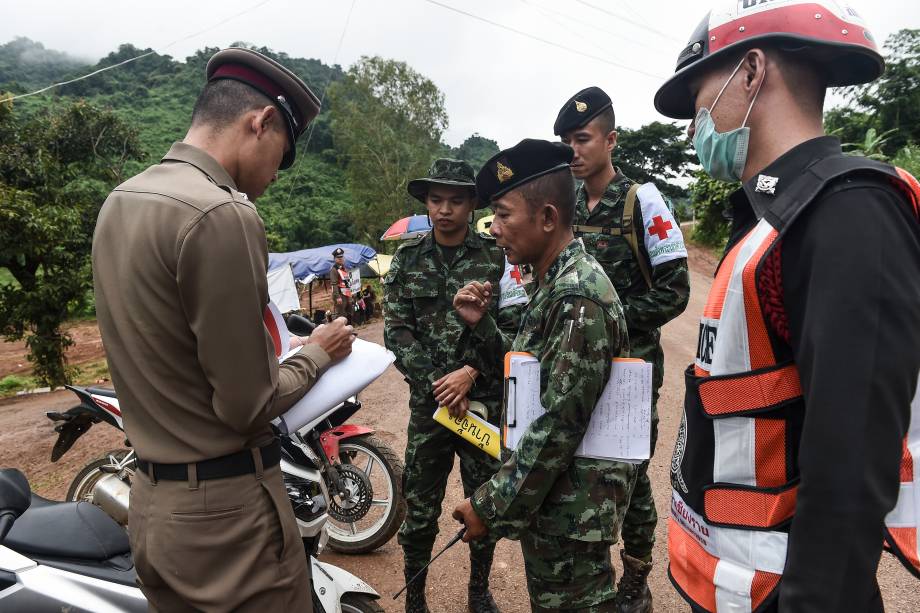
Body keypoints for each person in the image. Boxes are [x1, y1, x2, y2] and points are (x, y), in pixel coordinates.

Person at [654, 3, 920, 612]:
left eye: (699, 98)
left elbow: (851, 461)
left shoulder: (848, 213)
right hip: (741, 585)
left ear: (751, 71)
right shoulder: (772, 217)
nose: (695, 123)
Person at [92, 47, 356, 611]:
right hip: (227, 525)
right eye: (282, 157)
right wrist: (319, 355)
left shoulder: (121, 201)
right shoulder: (221, 214)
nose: (276, 178)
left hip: (156, 510)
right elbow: (246, 404)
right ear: (258, 122)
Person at [451, 139, 638, 612]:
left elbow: (558, 423)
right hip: (557, 504)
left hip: (572, 510)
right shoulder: (554, 283)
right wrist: (484, 326)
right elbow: (533, 377)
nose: (494, 229)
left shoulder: (577, 295)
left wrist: (489, 504)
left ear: (548, 217)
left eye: (504, 214)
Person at [554, 86, 690, 612]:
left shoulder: (641, 201)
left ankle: (636, 576)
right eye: (566, 140)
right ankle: (590, 571)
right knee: (578, 465)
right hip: (573, 368)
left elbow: (675, 290)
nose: (574, 150)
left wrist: (611, 324)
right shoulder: (561, 204)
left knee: (628, 472)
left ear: (610, 139)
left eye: (583, 138)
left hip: (630, 369)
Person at [384, 158, 526, 613]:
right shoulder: (407, 259)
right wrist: (438, 384)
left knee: (482, 501)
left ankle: (478, 591)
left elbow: (515, 330)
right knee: (420, 507)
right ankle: (416, 599)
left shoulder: (497, 257)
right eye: (436, 199)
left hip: (482, 405)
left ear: (472, 204)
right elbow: (396, 331)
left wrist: (472, 373)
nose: (444, 209)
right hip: (431, 408)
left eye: (456, 200)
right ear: (426, 203)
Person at [330, 247, 352, 321]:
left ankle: (348, 330)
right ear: (335, 259)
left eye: (341, 257)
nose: (340, 259)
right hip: (339, 294)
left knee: (348, 312)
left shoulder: (344, 268)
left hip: (346, 293)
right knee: (341, 314)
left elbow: (347, 281)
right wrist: (337, 297)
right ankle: (341, 331)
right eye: (338, 257)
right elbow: (334, 284)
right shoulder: (334, 270)